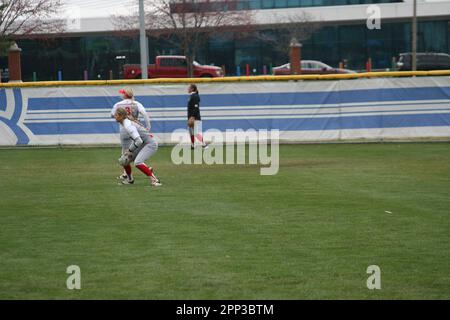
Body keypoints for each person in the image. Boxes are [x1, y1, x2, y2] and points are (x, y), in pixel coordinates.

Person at [114, 107, 161, 186]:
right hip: (143, 143)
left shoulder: (128, 125)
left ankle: (155, 180)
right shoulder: (126, 123)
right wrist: (128, 152)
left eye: (116, 115)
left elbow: (139, 141)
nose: (114, 116)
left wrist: (129, 150)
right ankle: (129, 180)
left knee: (138, 162)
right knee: (124, 160)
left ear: (121, 116)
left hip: (150, 144)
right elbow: (138, 141)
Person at [111, 87, 151, 180]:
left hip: (124, 130)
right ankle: (126, 173)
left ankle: (129, 176)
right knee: (132, 151)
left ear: (125, 94)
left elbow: (112, 114)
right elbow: (144, 114)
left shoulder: (118, 104)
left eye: (122, 93)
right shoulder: (136, 103)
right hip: (135, 129)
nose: (121, 94)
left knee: (126, 154)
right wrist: (148, 127)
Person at [187, 84, 208, 149]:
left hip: (195, 117)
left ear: (192, 89)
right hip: (191, 117)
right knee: (191, 132)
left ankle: (204, 145)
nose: (188, 89)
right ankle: (193, 145)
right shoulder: (191, 96)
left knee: (196, 133)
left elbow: (196, 107)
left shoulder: (195, 96)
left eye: (189, 88)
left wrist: (192, 116)